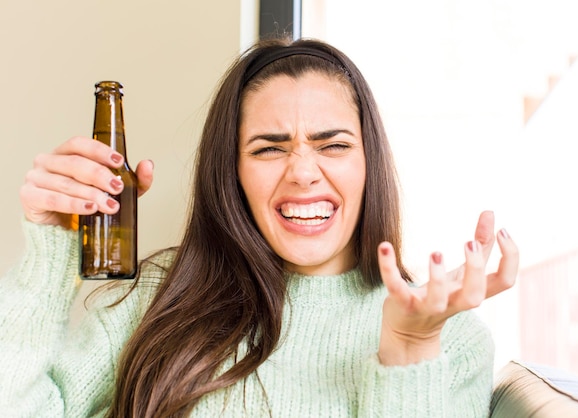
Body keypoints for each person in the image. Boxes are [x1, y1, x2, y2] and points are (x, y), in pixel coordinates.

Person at [0, 37, 518, 417]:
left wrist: (408, 350)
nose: (302, 172)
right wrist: (50, 251)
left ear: (369, 164)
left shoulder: (453, 342)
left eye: (333, 144)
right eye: (268, 148)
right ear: (233, 174)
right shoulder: (159, 301)